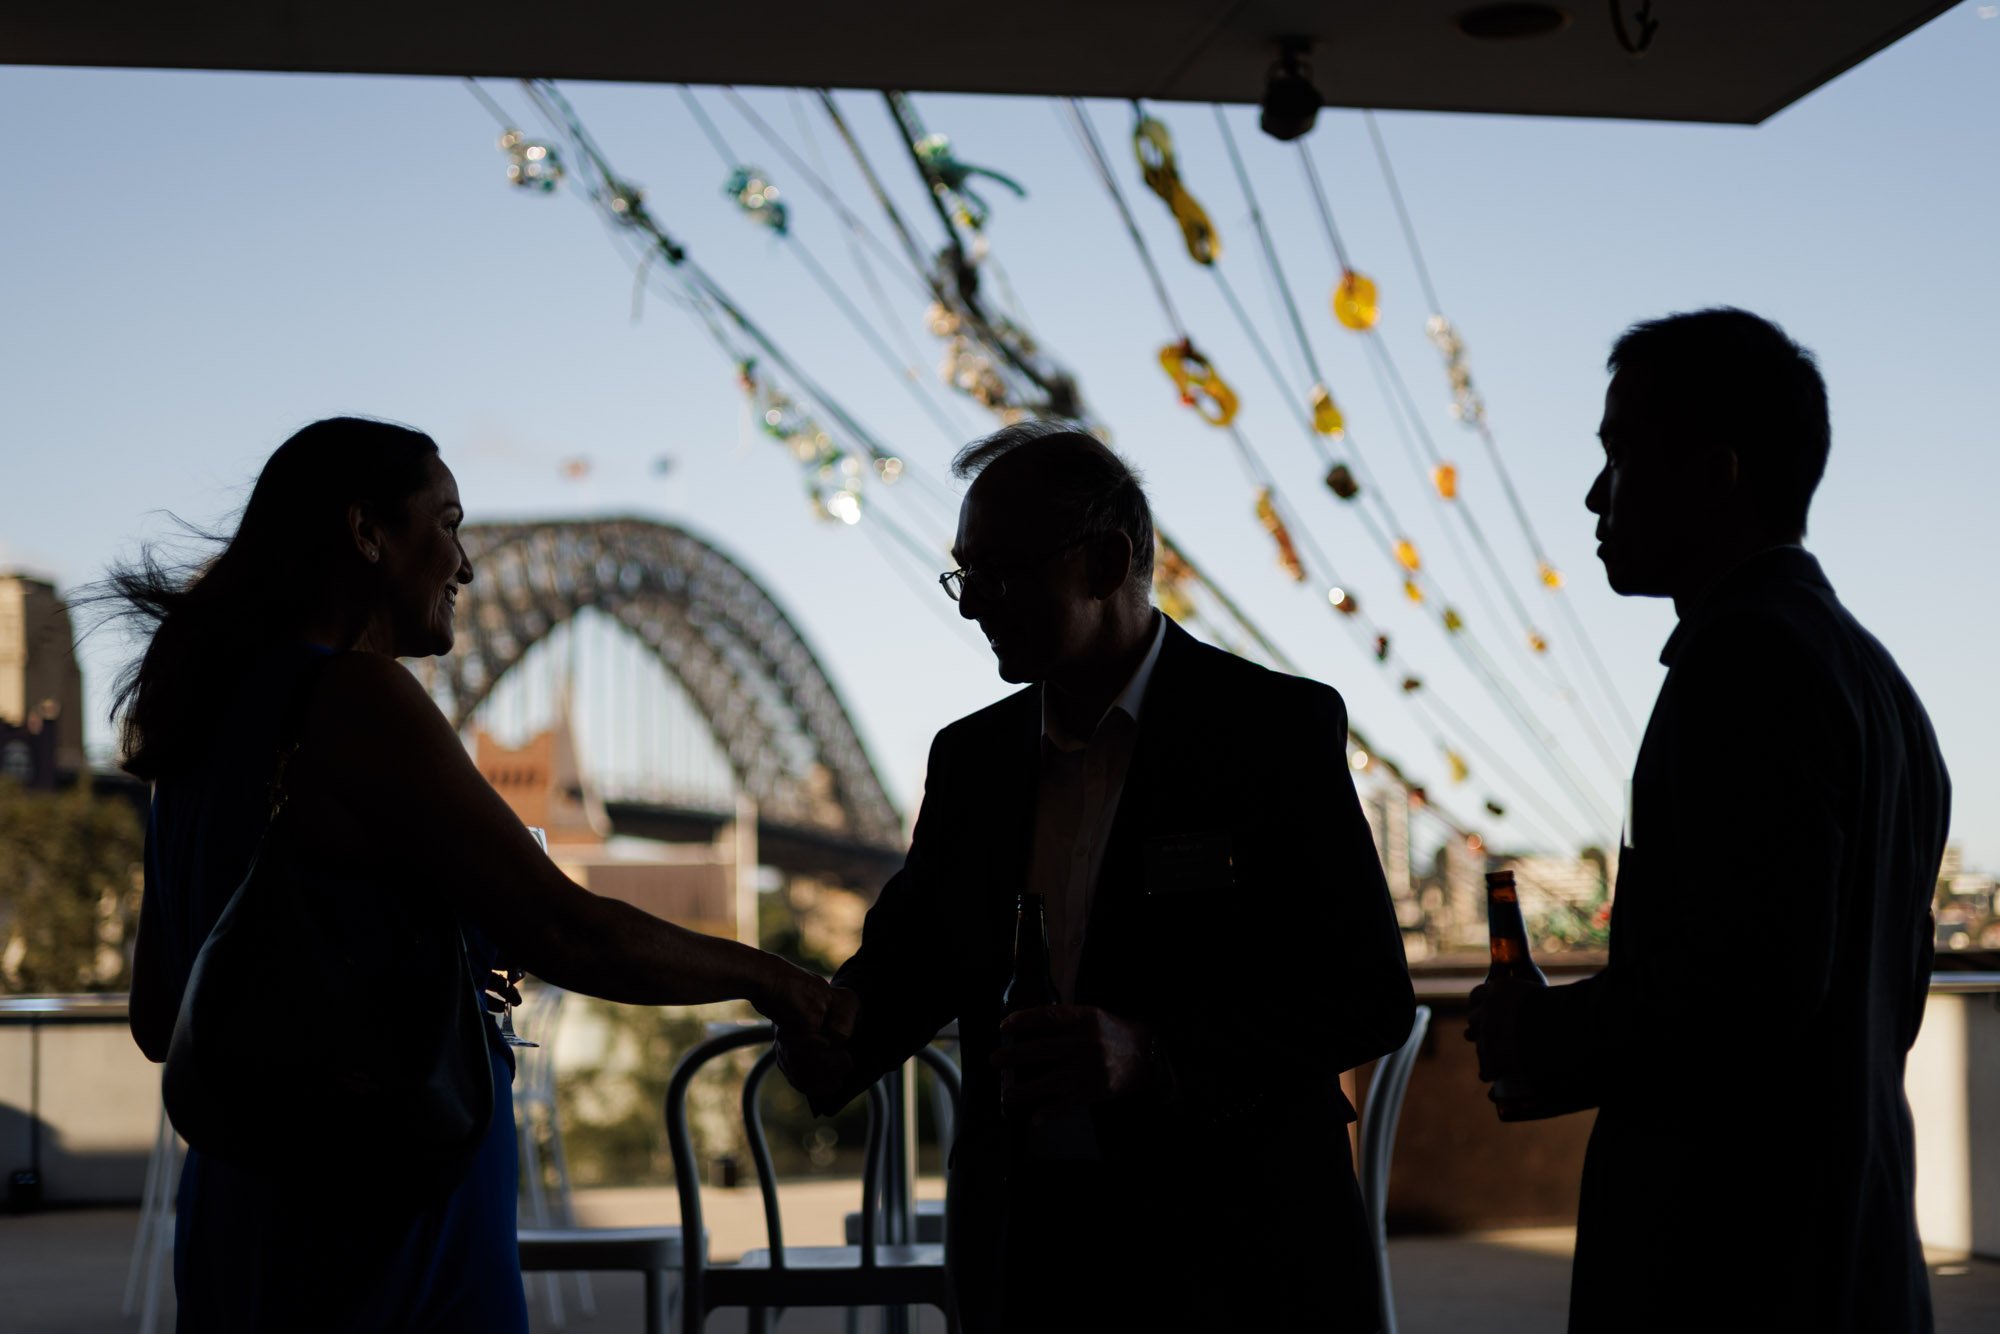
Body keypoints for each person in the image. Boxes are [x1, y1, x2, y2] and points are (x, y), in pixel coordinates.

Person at [116, 417, 851, 1332]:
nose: (465, 565)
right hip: (386, 1216)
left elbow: (159, 1017)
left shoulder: (198, 728)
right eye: (449, 524)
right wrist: (772, 978)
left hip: (241, 1213)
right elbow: (567, 931)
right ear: (366, 534)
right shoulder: (356, 697)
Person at [776, 422, 1415, 1332]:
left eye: (1000, 572)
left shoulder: (1270, 730)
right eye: (965, 573)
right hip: (1027, 1243)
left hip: (1237, 1240)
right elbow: (910, 961)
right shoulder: (972, 759)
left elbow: (1369, 998)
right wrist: (833, 1034)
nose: (971, 607)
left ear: (1108, 561)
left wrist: (1149, 1055)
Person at [1467, 309, 1950, 1333]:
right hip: (1849, 1251)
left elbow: (1742, 989)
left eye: (1618, 453)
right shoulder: (1875, 683)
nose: (1594, 494)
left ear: (1714, 472)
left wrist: (1538, 1031)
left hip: (1732, 1264)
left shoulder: (1742, 665)